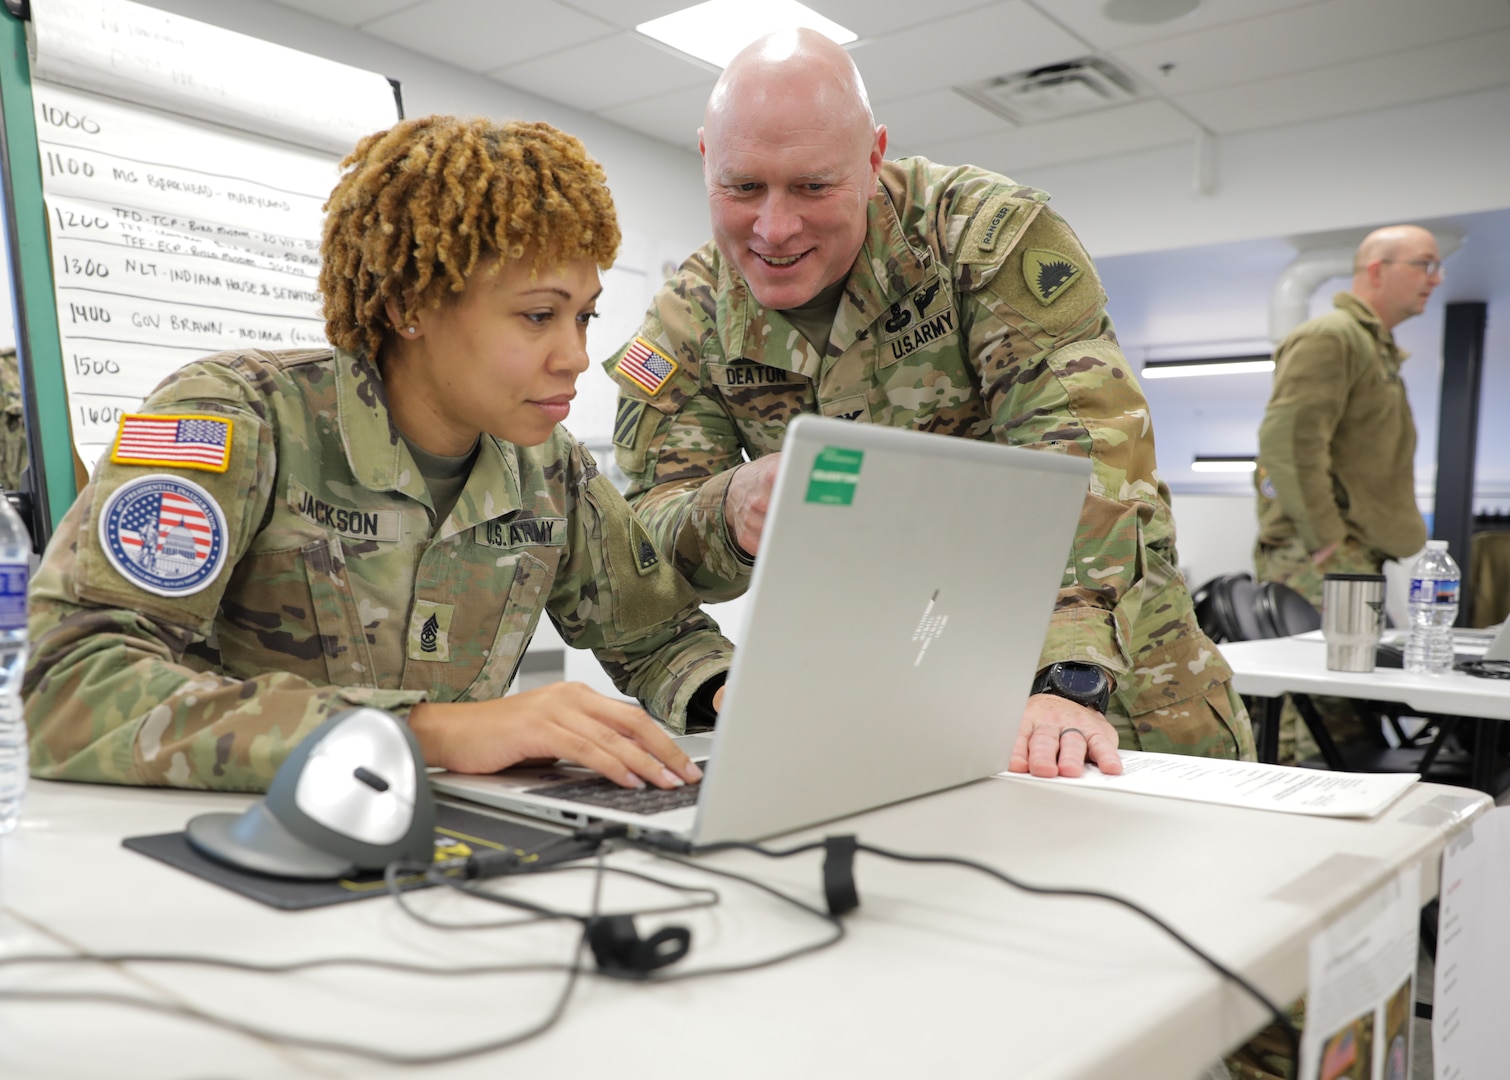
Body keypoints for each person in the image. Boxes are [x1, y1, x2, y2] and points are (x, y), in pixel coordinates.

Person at [605, 29, 1254, 780]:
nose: (774, 228)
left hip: (1109, 692)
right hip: (900, 699)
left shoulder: (979, 242)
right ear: (705, 161)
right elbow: (644, 536)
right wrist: (728, 508)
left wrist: (1064, 676)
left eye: (813, 186)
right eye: (742, 187)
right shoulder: (692, 316)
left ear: (875, 157)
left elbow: (1087, 453)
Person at [23, 116, 727, 793]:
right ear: (407, 306)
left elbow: (659, 639)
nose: (576, 357)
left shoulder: (552, 469)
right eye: (539, 316)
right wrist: (428, 733)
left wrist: (730, 697)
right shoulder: (235, 419)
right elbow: (75, 684)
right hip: (230, 854)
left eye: (585, 317)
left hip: (446, 863)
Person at [1253, 225, 1438, 764]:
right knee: (1305, 719)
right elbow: (1286, 443)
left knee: (1334, 713)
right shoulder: (1332, 336)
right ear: (1377, 270)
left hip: (1352, 555)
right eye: (1424, 265)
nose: (1436, 277)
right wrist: (1327, 539)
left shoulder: (1371, 346)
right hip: (1325, 555)